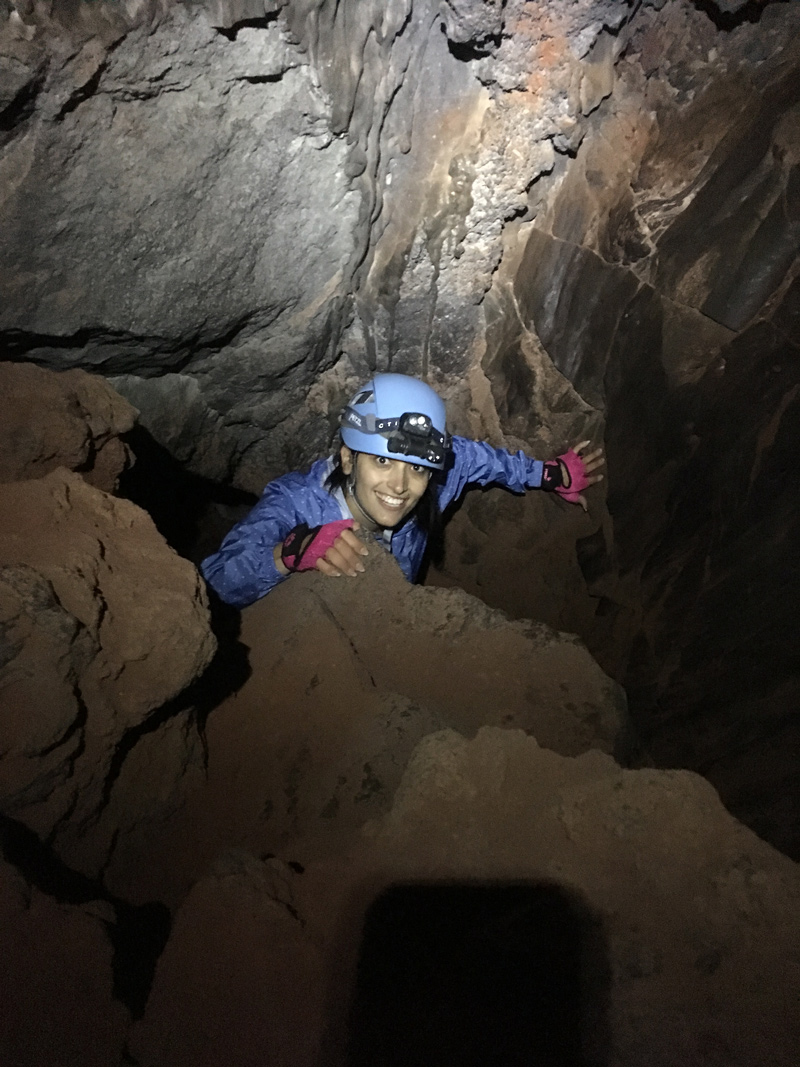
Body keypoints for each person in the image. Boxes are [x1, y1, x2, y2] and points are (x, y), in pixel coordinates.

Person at [201, 373, 604, 607]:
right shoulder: (296, 502)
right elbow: (213, 584)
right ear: (347, 459)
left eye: (416, 468)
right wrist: (290, 552)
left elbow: (480, 460)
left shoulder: (435, 479)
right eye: (381, 461)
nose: (399, 485)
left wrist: (550, 476)